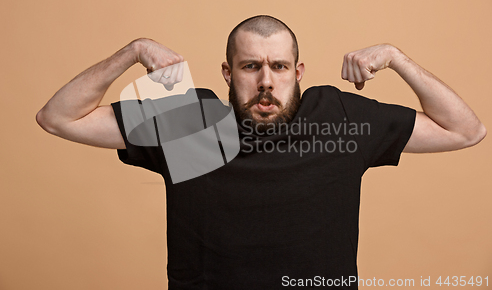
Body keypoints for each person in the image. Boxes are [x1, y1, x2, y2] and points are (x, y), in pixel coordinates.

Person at [36, 15, 486, 289]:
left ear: (298, 72)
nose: (266, 81)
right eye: (251, 66)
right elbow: (59, 117)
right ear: (228, 73)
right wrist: (132, 52)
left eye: (279, 66)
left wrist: (395, 57)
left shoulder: (338, 116)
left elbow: (466, 130)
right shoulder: (191, 121)